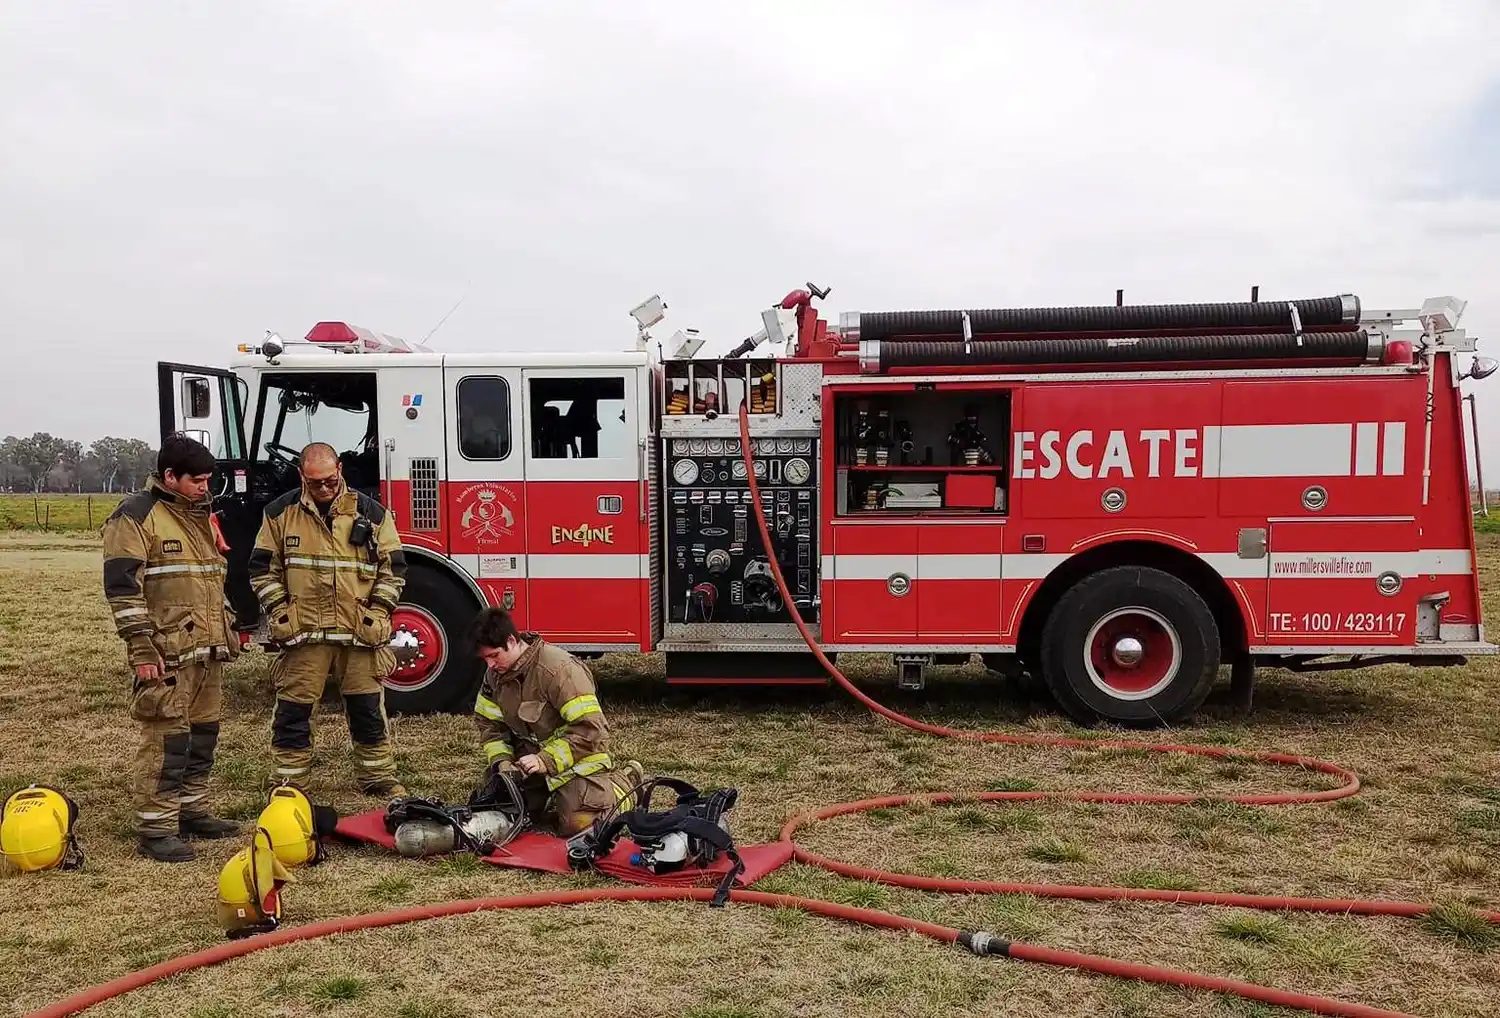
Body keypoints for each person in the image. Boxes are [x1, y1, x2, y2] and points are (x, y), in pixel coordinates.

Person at [102, 433, 241, 862]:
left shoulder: (199, 514)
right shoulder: (135, 517)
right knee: (167, 740)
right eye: (197, 480)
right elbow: (122, 589)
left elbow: (209, 580)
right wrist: (142, 650)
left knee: (202, 737)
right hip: (166, 655)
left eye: (207, 480)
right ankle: (156, 827)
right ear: (169, 476)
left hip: (206, 650)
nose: (205, 487)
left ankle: (190, 810)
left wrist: (228, 626)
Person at [247, 442, 408, 798]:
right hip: (304, 635)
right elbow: (261, 569)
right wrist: (280, 611)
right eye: (316, 482)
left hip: (359, 634)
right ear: (301, 475)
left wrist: (378, 612)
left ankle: (378, 777)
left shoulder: (373, 513)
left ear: (340, 469)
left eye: (331, 481)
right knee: (293, 712)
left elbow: (393, 569)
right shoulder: (279, 514)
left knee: (368, 711)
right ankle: (289, 782)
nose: (324, 488)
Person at [467, 607, 642, 835]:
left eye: (493, 656)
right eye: (485, 659)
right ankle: (548, 800)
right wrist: (502, 762)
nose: (490, 666)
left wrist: (545, 761)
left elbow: (591, 730)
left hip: (577, 758)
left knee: (580, 825)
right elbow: (490, 725)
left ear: (512, 641)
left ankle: (625, 785)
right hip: (529, 762)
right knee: (502, 812)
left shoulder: (559, 670)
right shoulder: (495, 675)